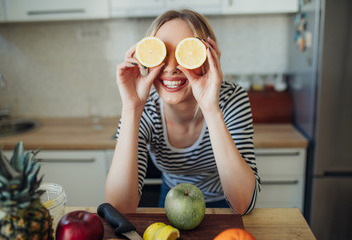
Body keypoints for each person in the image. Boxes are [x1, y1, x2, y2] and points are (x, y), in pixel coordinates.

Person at [105, 9, 260, 215]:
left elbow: (243, 204)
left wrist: (210, 108)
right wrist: (131, 108)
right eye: (162, 53)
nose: (170, 68)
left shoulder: (230, 99)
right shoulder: (146, 110)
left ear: (207, 59)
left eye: (186, 54)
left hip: (224, 203)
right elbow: (119, 208)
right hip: (173, 197)